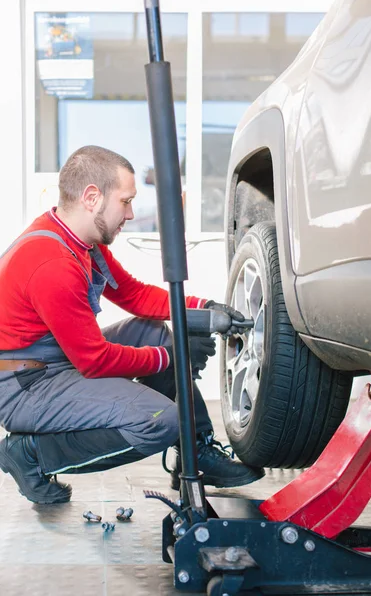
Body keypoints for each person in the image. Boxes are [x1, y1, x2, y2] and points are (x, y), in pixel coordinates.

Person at [0, 145, 264, 504]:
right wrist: (171, 357)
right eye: (125, 201)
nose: (131, 212)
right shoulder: (52, 264)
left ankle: (194, 452)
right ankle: (30, 453)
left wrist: (204, 309)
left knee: (153, 331)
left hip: (55, 360)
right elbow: (94, 361)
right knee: (160, 419)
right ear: (92, 197)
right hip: (26, 384)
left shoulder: (82, 242)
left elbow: (134, 295)